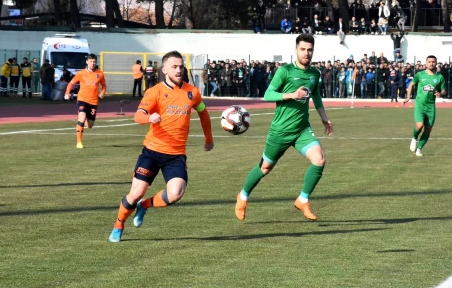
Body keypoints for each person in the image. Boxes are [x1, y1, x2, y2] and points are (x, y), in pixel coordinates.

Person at [109, 51, 214, 243]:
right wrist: (149, 117)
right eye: (174, 67)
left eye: (181, 66)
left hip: (176, 155)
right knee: (135, 193)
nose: (179, 70)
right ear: (164, 69)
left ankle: (145, 206)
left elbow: (203, 113)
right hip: (152, 152)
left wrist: (208, 139)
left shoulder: (193, 92)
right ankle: (118, 224)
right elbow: (138, 115)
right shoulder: (155, 91)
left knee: (175, 194)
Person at [235, 34, 333, 222]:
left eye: (310, 49)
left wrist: (324, 119)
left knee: (319, 159)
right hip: (280, 131)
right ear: (296, 50)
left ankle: (302, 200)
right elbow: (268, 94)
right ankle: (243, 196)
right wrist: (292, 94)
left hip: (302, 129)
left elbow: (316, 96)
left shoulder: (315, 74)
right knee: (265, 168)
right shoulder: (285, 71)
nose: (306, 53)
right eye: (303, 49)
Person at [403, 55, 446, 156]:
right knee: (419, 125)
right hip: (419, 105)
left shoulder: (439, 77)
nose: (431, 63)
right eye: (429, 62)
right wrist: (408, 97)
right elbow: (411, 85)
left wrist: (440, 93)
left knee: (428, 129)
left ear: (436, 63)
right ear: (426, 63)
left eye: (433, 62)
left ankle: (419, 149)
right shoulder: (420, 75)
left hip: (431, 107)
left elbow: (444, 90)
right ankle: (414, 138)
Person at [64, 54, 107, 149]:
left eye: (94, 62)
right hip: (82, 99)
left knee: (90, 125)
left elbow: (104, 85)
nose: (92, 63)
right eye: (91, 61)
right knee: (82, 118)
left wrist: (102, 92)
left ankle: (83, 118)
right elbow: (71, 83)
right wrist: (67, 93)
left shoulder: (100, 73)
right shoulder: (81, 73)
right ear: (87, 62)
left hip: (93, 101)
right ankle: (79, 142)